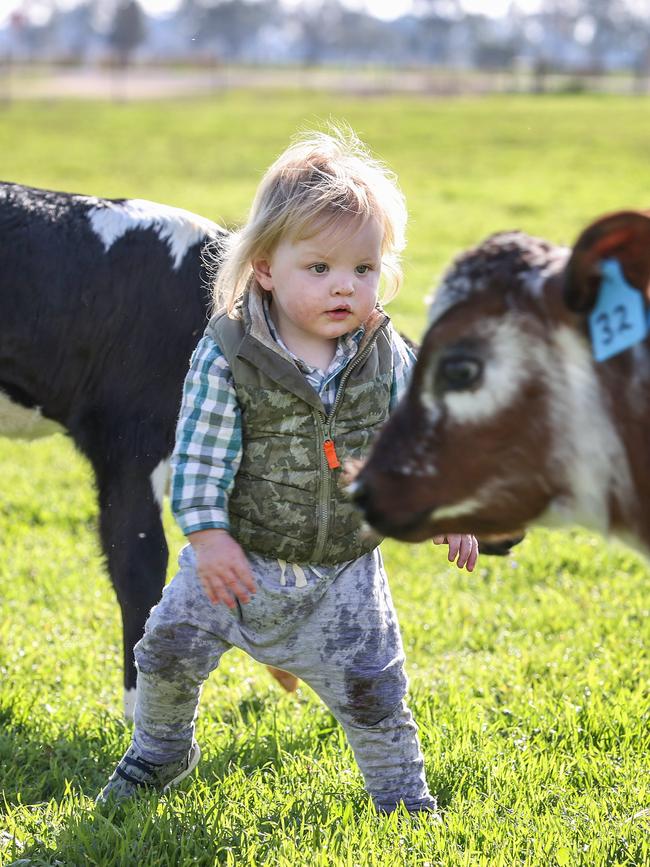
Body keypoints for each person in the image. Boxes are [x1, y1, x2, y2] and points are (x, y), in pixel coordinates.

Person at [96, 127, 479, 815]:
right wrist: (208, 537)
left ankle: (403, 796)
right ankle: (159, 750)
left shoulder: (381, 351)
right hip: (233, 559)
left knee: (374, 688)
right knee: (165, 651)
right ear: (267, 267)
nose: (346, 287)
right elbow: (202, 453)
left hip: (341, 571)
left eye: (363, 270)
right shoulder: (230, 356)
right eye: (321, 268)